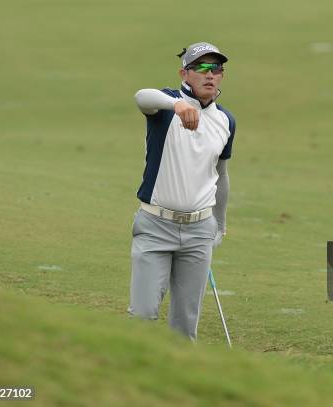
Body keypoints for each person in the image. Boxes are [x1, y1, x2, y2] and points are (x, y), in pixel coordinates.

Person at [127, 42, 236, 341]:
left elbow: (221, 175)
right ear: (184, 73)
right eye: (201, 68)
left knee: (185, 327)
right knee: (143, 315)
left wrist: (220, 226)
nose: (210, 74)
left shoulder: (226, 121)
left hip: (199, 230)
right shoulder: (164, 107)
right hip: (155, 226)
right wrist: (176, 105)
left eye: (216, 69)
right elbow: (141, 97)